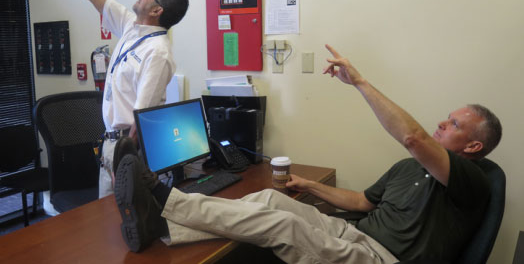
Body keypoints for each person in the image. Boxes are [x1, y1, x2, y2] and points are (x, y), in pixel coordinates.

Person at [112, 44, 502, 263]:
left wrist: (360, 82)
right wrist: (308, 185)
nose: (441, 124)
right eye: (446, 119)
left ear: (473, 146)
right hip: (355, 236)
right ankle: (165, 226)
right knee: (269, 198)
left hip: (385, 261)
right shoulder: (407, 168)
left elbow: (414, 137)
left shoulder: (474, 180)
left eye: (453, 125)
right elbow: (363, 202)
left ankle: (164, 200)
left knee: (285, 227)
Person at [53, 0, 189, 198]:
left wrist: (124, 165)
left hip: (131, 149)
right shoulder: (130, 27)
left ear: (157, 11)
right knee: (108, 226)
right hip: (112, 144)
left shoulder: (158, 52)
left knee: (125, 227)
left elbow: (142, 119)